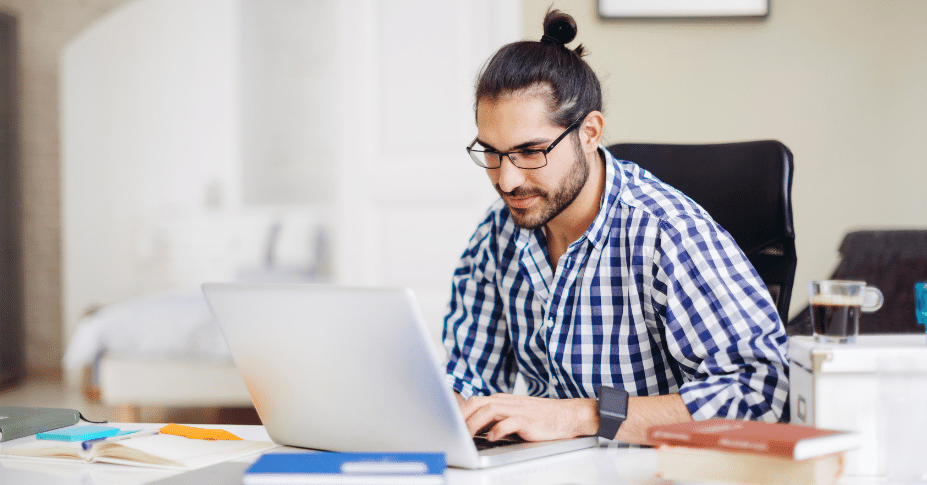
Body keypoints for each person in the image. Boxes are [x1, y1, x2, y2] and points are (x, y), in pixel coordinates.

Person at [442, 10, 789, 446]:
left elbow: (757, 393)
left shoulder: (668, 232)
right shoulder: (496, 233)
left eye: (530, 151)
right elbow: (468, 378)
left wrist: (582, 415)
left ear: (589, 132)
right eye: (491, 152)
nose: (506, 180)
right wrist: (446, 406)